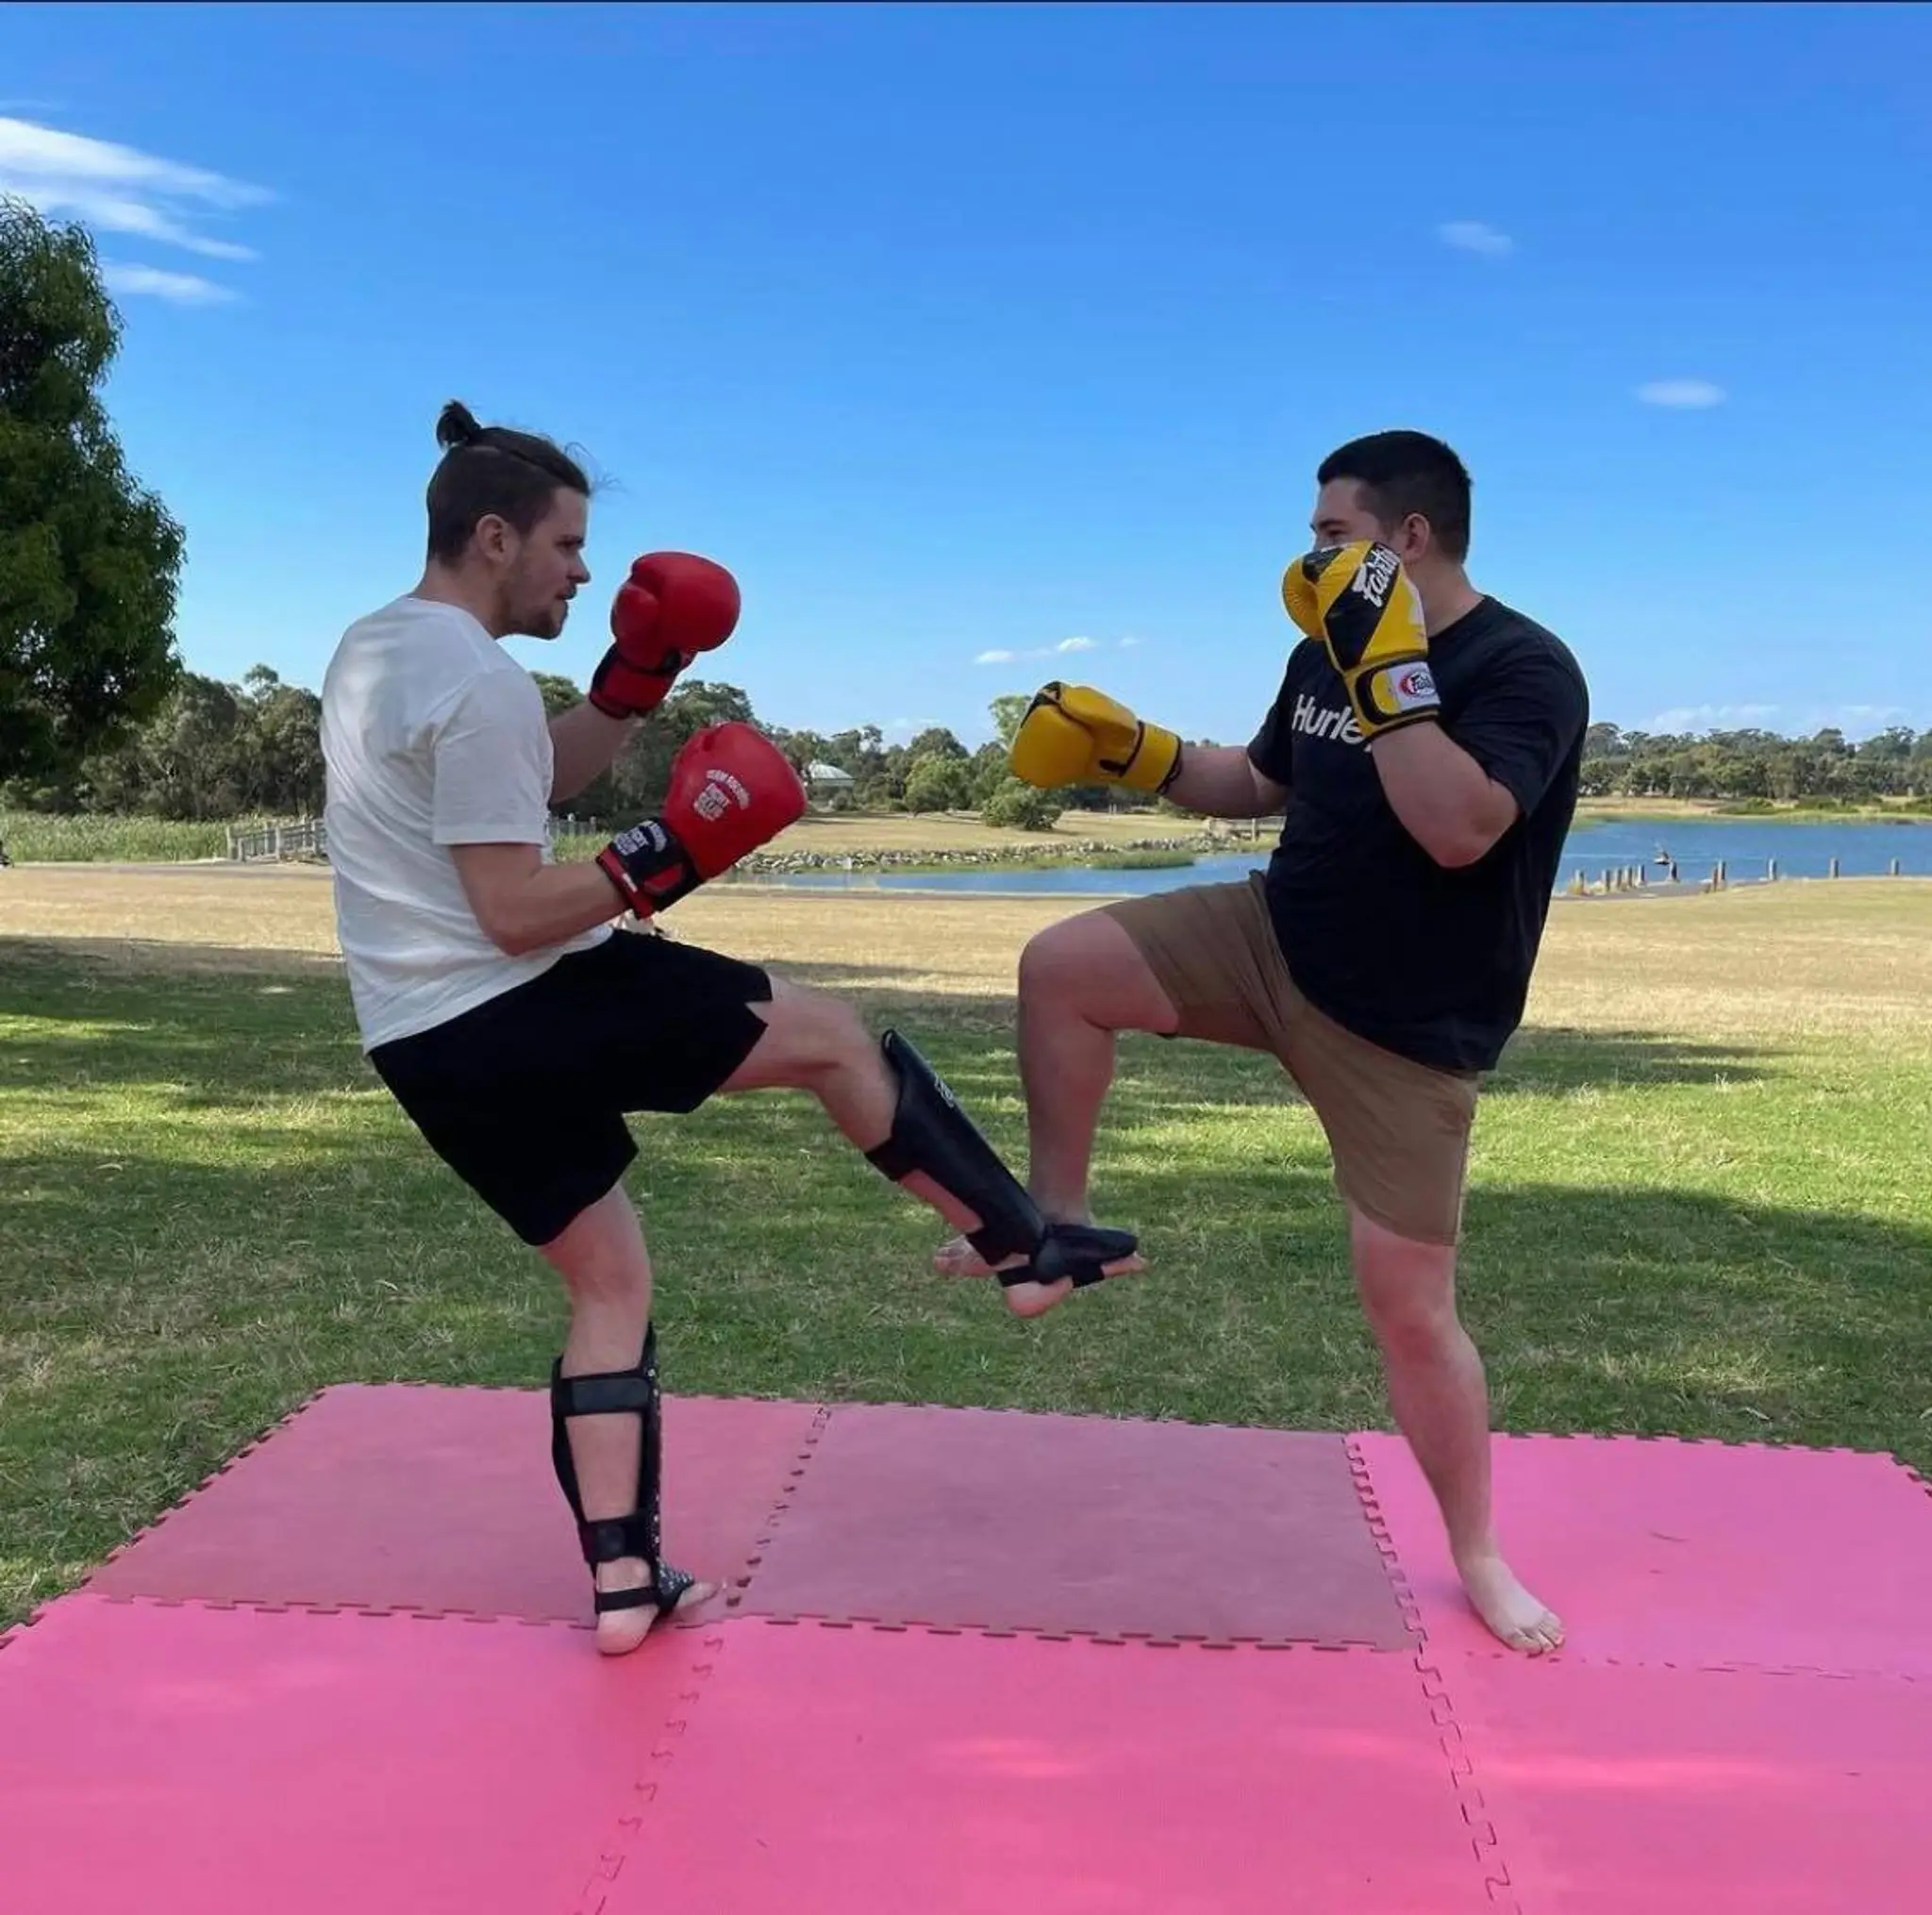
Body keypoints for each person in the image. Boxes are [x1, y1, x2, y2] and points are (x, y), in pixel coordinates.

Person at [320, 402, 1137, 1656]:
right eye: (568, 545)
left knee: (610, 1281)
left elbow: (540, 778)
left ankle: (624, 1580)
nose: (586, 572)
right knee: (830, 1036)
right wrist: (670, 850)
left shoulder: (376, 651)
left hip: (420, 1041)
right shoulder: (472, 678)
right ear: (493, 535)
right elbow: (510, 912)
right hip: (523, 997)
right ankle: (1023, 1249)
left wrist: (639, 677)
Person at [950, 430, 1588, 1656]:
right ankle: (1057, 1230)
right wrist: (1130, 750)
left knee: (1410, 1310)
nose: (1309, 556)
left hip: (1406, 1026)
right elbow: (1258, 781)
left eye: (1330, 535)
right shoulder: (1323, 648)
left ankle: (1478, 1554)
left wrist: (1388, 664)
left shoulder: (1525, 667)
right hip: (1271, 937)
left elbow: (1458, 828)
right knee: (1061, 967)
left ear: (1408, 538)